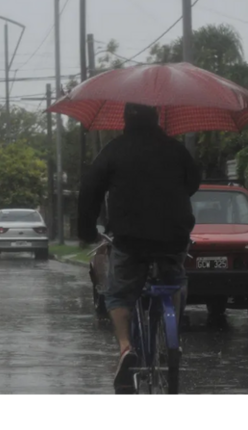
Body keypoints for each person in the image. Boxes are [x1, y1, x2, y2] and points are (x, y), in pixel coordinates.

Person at [78, 103, 201, 395]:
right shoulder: (176, 149)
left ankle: (125, 348)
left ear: (125, 119)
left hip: (130, 238)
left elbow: (89, 190)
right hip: (173, 236)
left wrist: (86, 232)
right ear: (157, 118)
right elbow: (193, 182)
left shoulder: (114, 150)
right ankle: (172, 340)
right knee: (174, 279)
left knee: (118, 293)